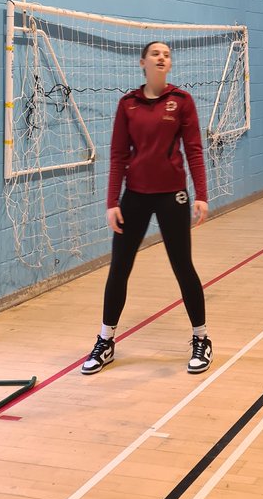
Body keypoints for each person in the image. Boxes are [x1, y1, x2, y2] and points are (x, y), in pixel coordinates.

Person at [81, 41, 212, 377]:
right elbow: (118, 155)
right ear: (143, 63)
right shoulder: (128, 105)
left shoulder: (181, 101)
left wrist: (201, 194)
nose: (161, 57)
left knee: (183, 266)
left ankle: (201, 338)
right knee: (119, 269)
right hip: (135, 197)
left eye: (166, 54)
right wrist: (112, 201)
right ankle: (105, 340)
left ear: (169, 65)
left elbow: (194, 150)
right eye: (155, 53)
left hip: (173, 197)